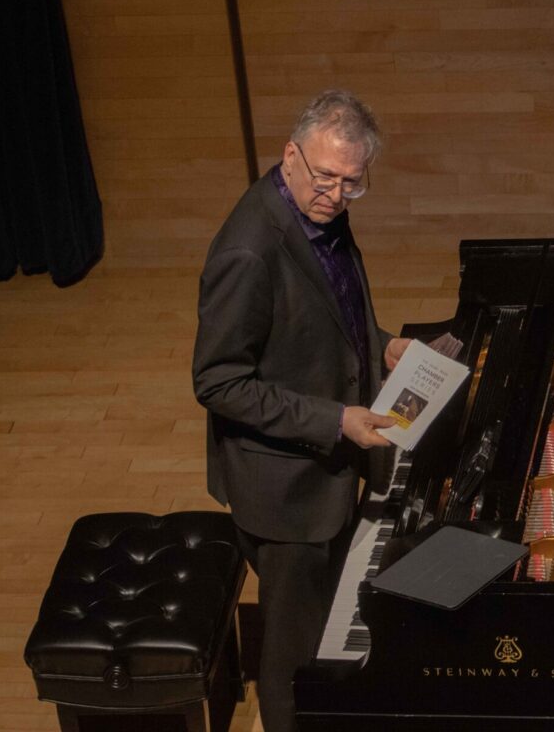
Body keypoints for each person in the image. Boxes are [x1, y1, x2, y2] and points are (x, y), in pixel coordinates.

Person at [192, 90, 409, 732]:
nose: (336, 196)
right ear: (290, 156)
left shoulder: (317, 210)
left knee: (324, 618)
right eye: (326, 178)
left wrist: (380, 344)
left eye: (351, 183)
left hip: (323, 469)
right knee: (291, 655)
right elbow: (218, 381)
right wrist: (335, 420)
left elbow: (329, 315)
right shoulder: (247, 252)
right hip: (284, 490)